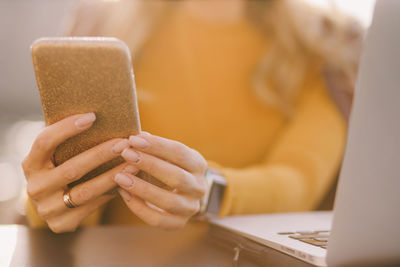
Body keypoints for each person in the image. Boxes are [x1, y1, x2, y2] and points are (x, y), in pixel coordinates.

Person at [22, 0, 363, 233]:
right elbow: (65, 180)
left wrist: (210, 192)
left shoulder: (330, 45)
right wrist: (45, 205)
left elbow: (299, 181)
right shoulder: (99, 25)